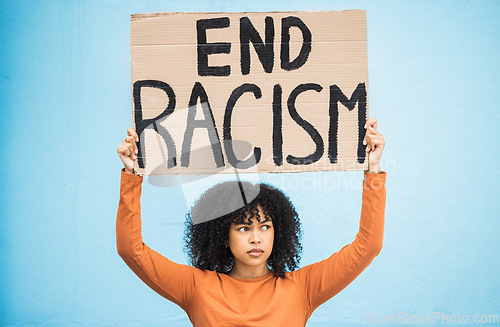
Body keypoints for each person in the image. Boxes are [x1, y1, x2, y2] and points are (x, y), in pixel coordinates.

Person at [116, 119, 386, 326]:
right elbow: (131, 250)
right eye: (244, 228)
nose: (256, 238)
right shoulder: (197, 288)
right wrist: (131, 174)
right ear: (224, 235)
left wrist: (373, 169)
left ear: (276, 233)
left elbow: (368, 247)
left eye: (265, 226)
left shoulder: (302, 288)